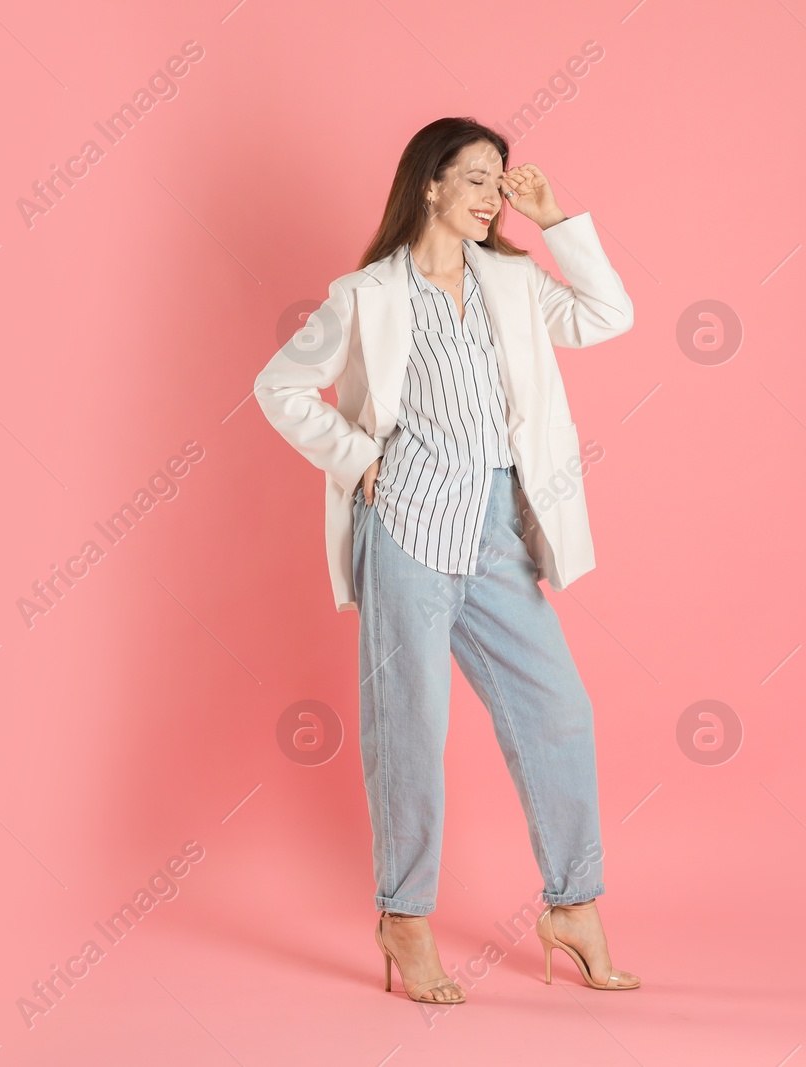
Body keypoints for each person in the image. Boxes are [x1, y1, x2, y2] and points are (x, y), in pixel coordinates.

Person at [254, 117, 640, 1003]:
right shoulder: (365, 296)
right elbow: (277, 385)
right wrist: (357, 459)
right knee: (411, 732)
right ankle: (405, 916)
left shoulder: (513, 280)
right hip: (407, 537)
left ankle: (572, 905)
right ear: (428, 184)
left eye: (498, 180)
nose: (490, 195)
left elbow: (607, 315)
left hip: (501, 534)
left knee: (560, 714)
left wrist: (551, 220)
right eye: (474, 179)